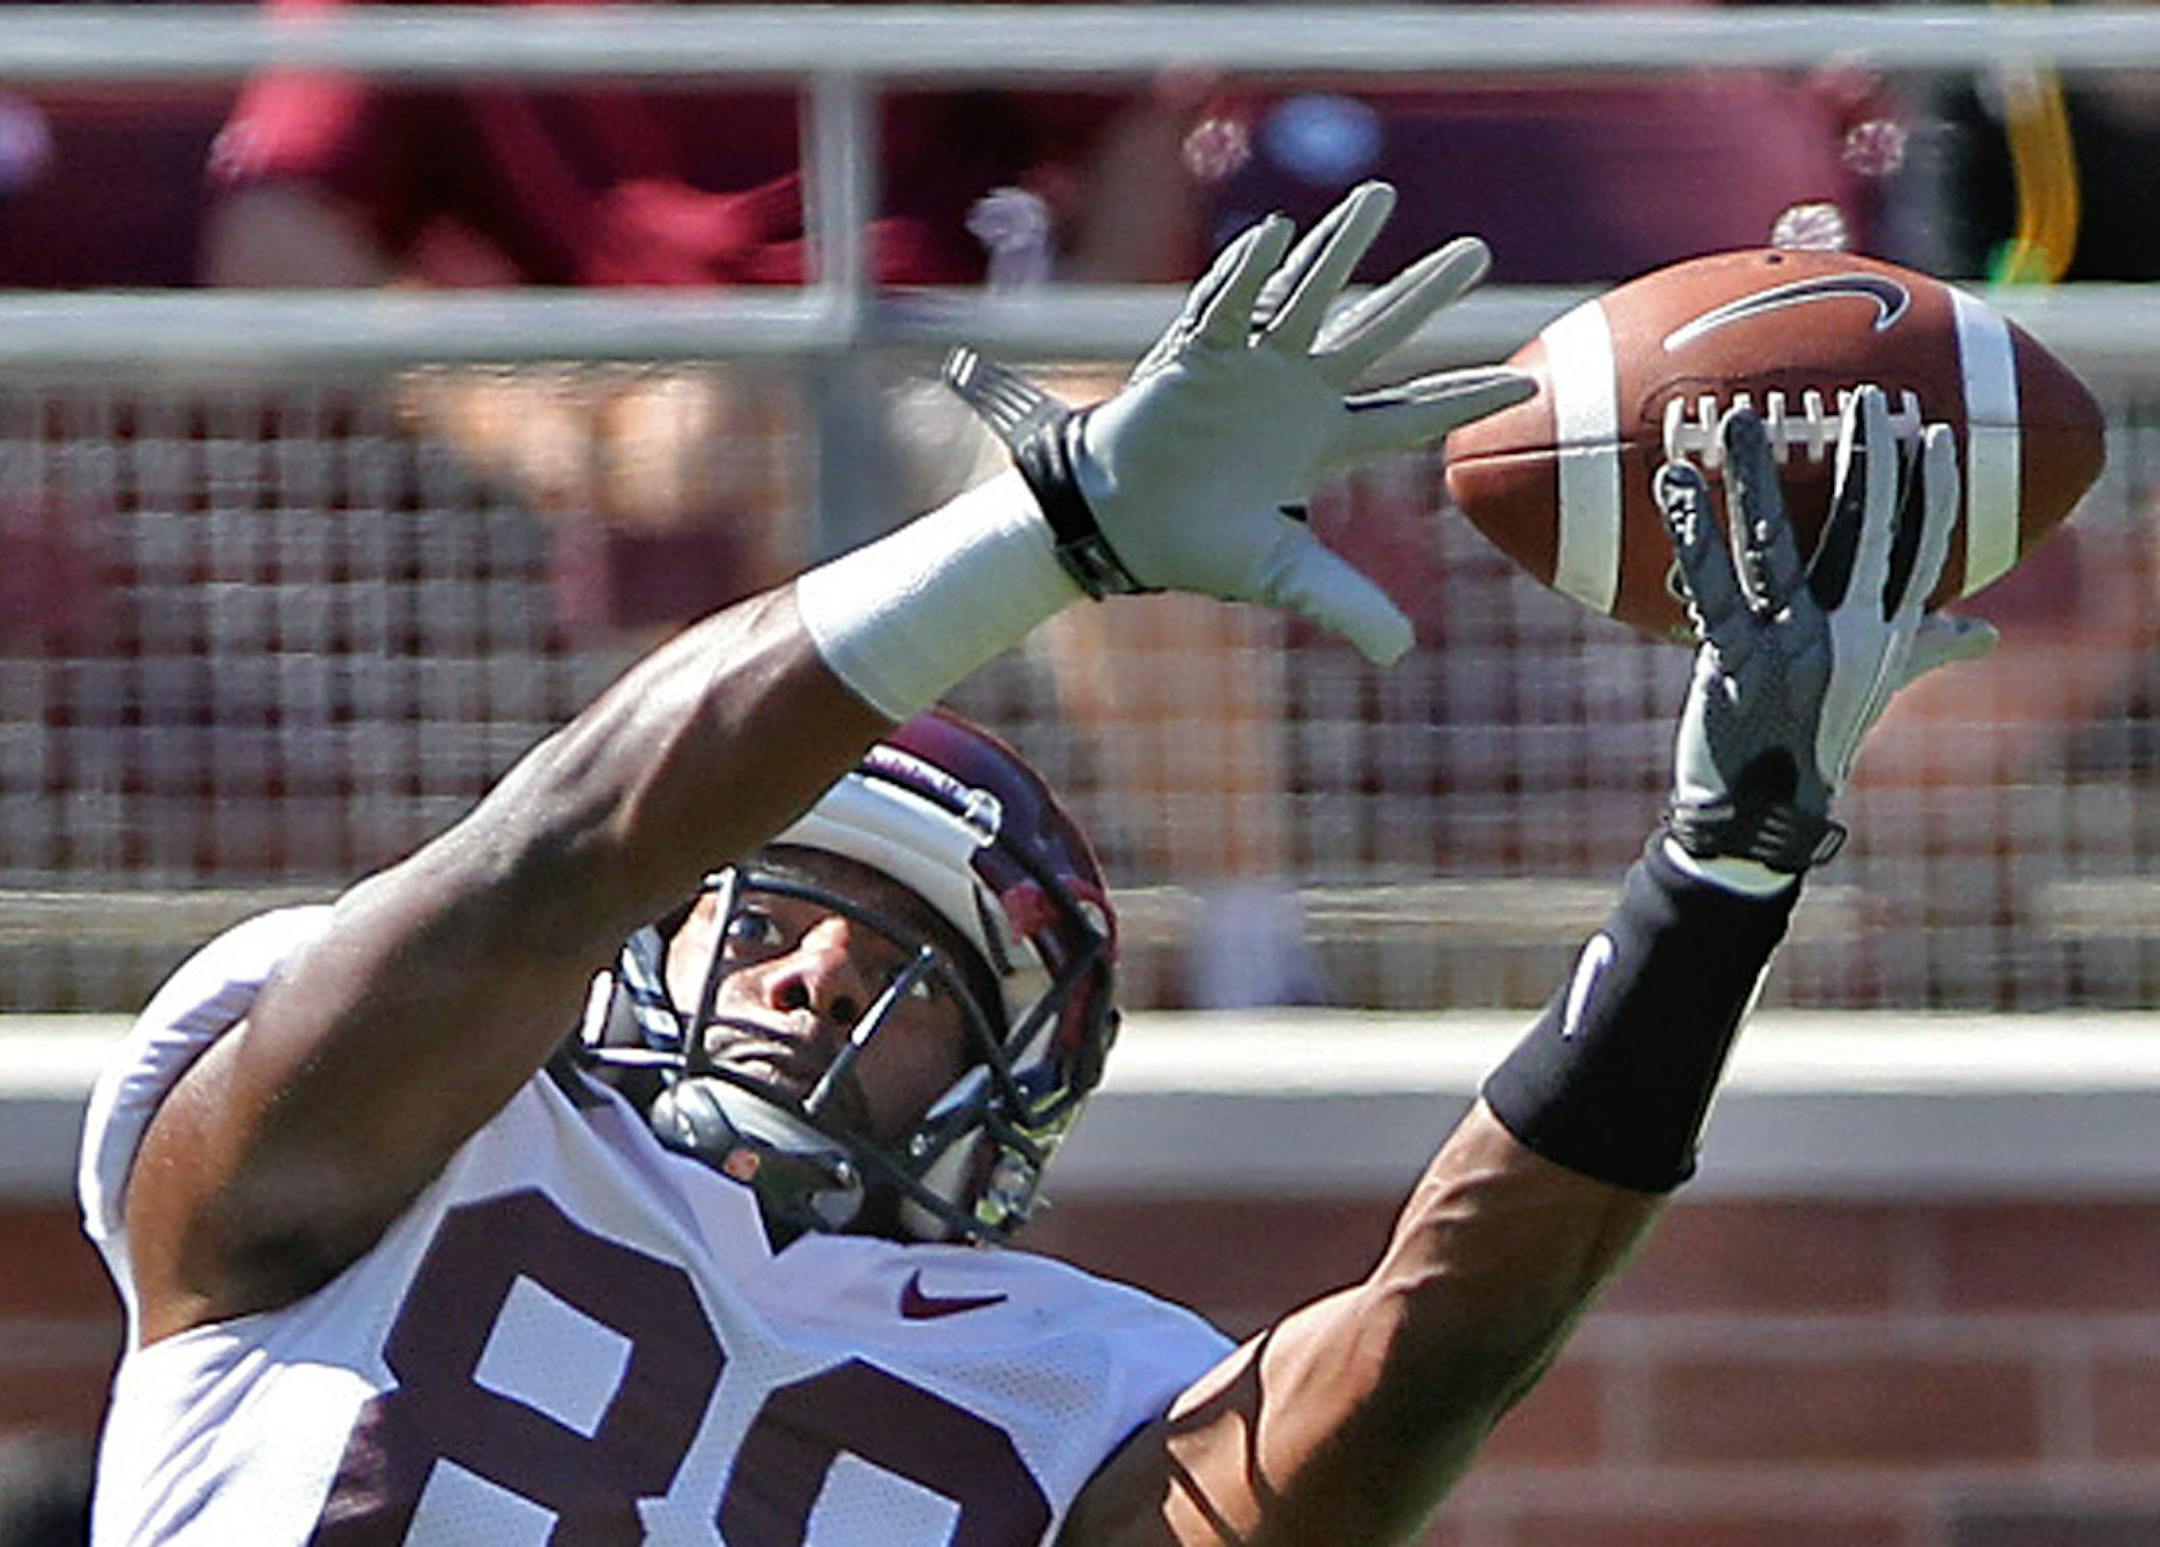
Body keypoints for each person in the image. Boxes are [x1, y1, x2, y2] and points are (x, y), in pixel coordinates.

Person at [78, 182, 1992, 1543]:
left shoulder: (1076, 1398)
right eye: (790, 914)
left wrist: (1722, 873)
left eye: (916, 967)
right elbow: (560, 853)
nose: (818, 976)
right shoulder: (395, 1156)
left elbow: (1436, 1353)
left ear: (1020, 1097)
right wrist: (1047, 531)